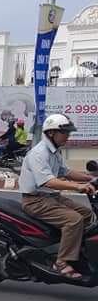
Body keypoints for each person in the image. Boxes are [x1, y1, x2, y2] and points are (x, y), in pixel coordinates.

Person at [19, 113, 96, 279]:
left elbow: (66, 172)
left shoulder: (54, 152)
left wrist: (91, 178)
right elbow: (49, 182)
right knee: (74, 220)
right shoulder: (39, 153)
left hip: (52, 198)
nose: (68, 136)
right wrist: (78, 186)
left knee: (88, 215)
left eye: (68, 132)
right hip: (35, 201)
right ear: (51, 133)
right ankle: (61, 262)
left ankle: (77, 250)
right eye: (64, 133)